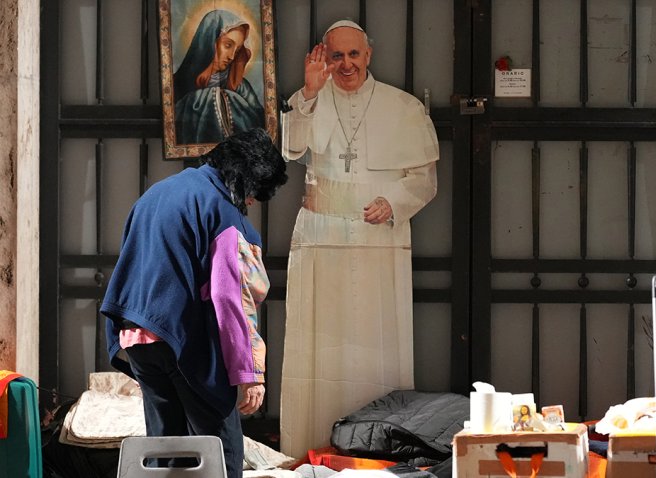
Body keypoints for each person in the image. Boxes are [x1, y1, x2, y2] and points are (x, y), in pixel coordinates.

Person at [279, 20, 439, 458]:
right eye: (336, 56)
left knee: (375, 347)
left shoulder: (402, 107)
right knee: (319, 349)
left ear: (368, 55)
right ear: (324, 58)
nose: (346, 64)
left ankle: (380, 450)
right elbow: (289, 149)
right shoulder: (307, 100)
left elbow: (424, 179)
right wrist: (310, 94)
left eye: (353, 55)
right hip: (321, 237)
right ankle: (311, 451)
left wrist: (394, 202)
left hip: (377, 242)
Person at [100, 128, 287, 478]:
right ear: (243, 178)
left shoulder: (155, 194)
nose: (249, 203)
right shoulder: (220, 209)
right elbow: (228, 297)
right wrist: (248, 374)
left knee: (164, 452)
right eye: (253, 195)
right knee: (219, 449)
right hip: (182, 339)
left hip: (136, 336)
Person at [173, 9, 265, 145]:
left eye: (238, 50)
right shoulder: (179, 82)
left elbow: (260, 123)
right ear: (209, 41)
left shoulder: (240, 86)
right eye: (228, 45)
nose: (232, 56)